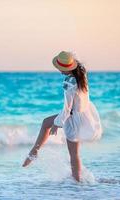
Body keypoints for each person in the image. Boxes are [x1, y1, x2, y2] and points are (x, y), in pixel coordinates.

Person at [22, 51, 103, 182]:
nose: (59, 70)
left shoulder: (69, 82)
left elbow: (67, 107)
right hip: (83, 114)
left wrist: (57, 123)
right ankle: (35, 152)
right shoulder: (81, 74)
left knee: (73, 154)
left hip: (73, 117)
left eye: (60, 68)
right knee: (47, 124)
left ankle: (76, 182)